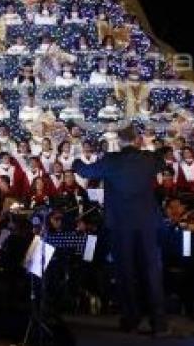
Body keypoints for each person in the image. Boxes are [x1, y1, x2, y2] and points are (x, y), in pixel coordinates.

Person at [72, 126, 168, 334]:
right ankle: (158, 323)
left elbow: (84, 170)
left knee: (125, 272)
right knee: (151, 271)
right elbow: (163, 161)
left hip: (121, 225)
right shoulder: (148, 159)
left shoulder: (111, 160)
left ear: (120, 142)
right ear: (137, 140)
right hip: (147, 224)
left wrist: (77, 159)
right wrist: (146, 148)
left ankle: (131, 320)